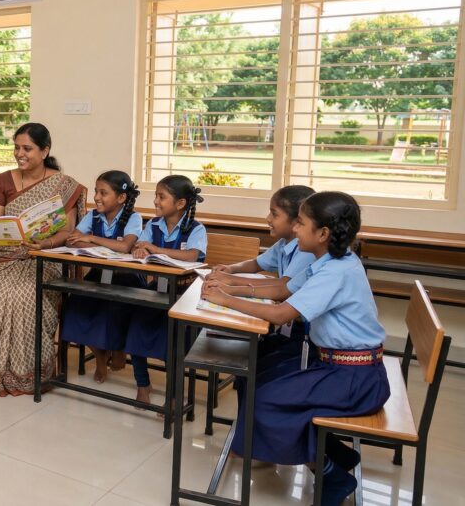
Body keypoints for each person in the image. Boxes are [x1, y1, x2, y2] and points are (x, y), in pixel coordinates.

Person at [201, 191, 389, 506]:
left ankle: (332, 474)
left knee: (268, 398)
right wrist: (228, 286)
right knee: (262, 377)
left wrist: (226, 300)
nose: (297, 230)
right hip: (338, 367)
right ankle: (335, 454)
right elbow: (284, 288)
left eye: (301, 223)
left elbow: (282, 312)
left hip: (356, 379)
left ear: (323, 234)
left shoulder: (336, 271)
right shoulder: (329, 260)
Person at [0, 123, 86, 396]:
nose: (19, 154)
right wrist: (2, 232)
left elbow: (68, 231)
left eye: (27, 148)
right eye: (16, 147)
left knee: (24, 294)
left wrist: (45, 242)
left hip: (43, 256)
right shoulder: (4, 180)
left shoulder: (63, 185)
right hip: (5, 255)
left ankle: (27, 371)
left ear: (44, 151)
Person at [205, 185, 316, 373]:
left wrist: (230, 287)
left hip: (304, 333)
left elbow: (283, 287)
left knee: (255, 368)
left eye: (274, 214)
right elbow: (257, 263)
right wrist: (231, 269)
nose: (268, 219)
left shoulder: (307, 251)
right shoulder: (284, 243)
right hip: (287, 327)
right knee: (245, 362)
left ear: (297, 221)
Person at [128, 175, 206, 405]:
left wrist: (154, 248)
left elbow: (193, 255)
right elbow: (139, 245)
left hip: (184, 296)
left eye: (161, 197)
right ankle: (143, 384)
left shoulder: (195, 228)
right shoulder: (153, 225)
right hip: (157, 290)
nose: (156, 201)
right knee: (136, 332)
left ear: (180, 203)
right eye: (156, 196)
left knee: (174, 342)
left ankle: (173, 395)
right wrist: (140, 249)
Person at [61, 170, 142, 383]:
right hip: (98, 275)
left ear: (121, 198)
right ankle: (99, 357)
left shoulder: (133, 217)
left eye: (103, 193)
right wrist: (90, 239)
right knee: (75, 308)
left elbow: (125, 246)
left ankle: (117, 347)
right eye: (96, 191)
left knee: (111, 310)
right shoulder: (93, 216)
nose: (96, 197)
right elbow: (72, 240)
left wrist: (91, 238)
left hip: (126, 278)